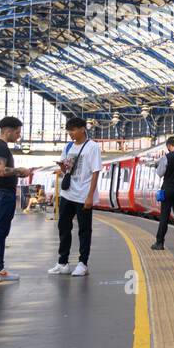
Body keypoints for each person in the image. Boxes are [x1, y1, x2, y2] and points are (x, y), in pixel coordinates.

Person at [0, 116, 36, 284]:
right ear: (8, 131)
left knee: (2, 232)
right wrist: (20, 171)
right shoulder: (0, 147)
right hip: (1, 193)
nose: (19, 136)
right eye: (17, 132)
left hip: (4, 193)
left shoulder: (0, 147)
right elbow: (0, 171)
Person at [48, 116, 102, 278]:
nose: (70, 134)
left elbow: (95, 172)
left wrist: (90, 197)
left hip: (83, 195)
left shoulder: (92, 147)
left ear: (82, 129)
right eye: (68, 131)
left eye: (72, 130)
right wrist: (63, 168)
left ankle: (82, 263)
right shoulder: (69, 146)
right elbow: (65, 171)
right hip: (67, 193)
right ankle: (63, 262)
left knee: (84, 230)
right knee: (63, 227)